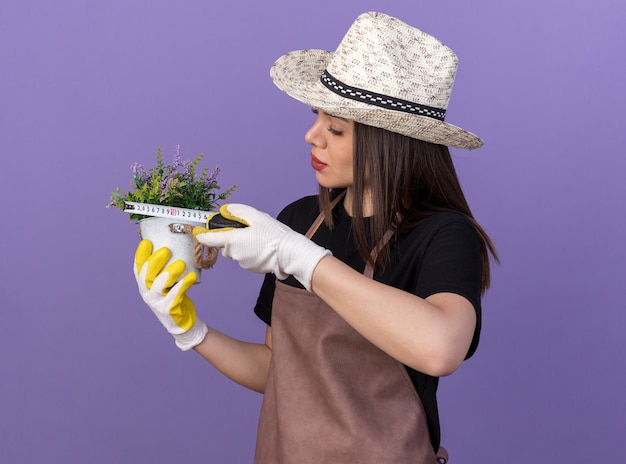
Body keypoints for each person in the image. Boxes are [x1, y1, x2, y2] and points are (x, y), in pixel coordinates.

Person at [132, 11, 498, 464]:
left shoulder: (442, 234)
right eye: (315, 119)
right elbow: (277, 370)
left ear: (391, 143)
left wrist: (299, 257)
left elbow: (441, 348)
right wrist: (191, 332)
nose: (311, 137)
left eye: (335, 129)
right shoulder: (302, 219)